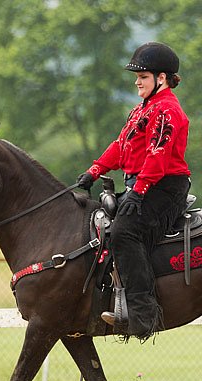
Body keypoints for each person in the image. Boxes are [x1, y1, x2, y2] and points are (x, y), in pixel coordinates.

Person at [77, 42, 191, 340]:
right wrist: (94, 171)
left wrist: (138, 192)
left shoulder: (166, 110)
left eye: (143, 76)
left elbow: (158, 155)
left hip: (164, 188)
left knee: (124, 233)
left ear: (161, 79)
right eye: (137, 76)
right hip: (144, 185)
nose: (136, 81)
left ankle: (142, 314)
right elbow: (120, 146)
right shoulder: (142, 109)